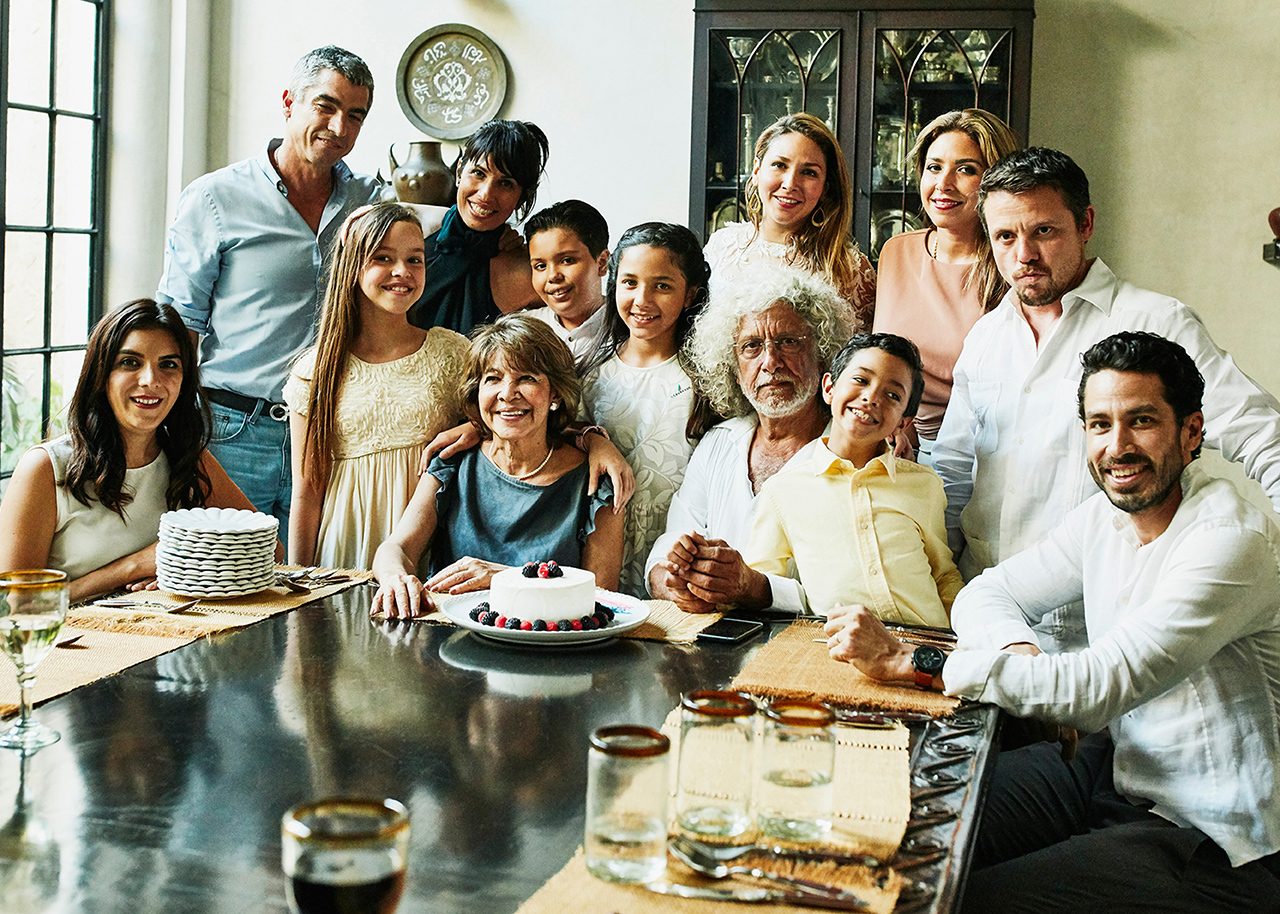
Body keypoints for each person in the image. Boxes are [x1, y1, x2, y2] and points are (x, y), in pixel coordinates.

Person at [826, 333, 1280, 910]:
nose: (1118, 446)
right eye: (1099, 424)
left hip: (1210, 837)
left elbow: (1095, 690)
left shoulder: (1229, 542)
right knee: (878, 823)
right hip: (1109, 770)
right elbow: (987, 593)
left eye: (1141, 421)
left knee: (957, 898)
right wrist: (1021, 653)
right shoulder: (1104, 518)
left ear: (1191, 433)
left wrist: (911, 661)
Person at [933, 146, 1280, 651]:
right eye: (1005, 236)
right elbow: (953, 475)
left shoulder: (1156, 322)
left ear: (1086, 222)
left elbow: (1265, 435)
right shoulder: (986, 338)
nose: (1023, 255)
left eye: (1043, 231)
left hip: (1105, 640)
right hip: (989, 626)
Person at [156, 46, 381, 543]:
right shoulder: (214, 198)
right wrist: (169, 431)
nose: (339, 127)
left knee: (321, 589)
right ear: (288, 103)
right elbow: (177, 327)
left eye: (355, 115)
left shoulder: (370, 199)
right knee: (227, 592)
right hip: (232, 434)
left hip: (330, 432)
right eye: (326, 106)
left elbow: (429, 243)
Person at [0, 300, 258, 602]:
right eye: (130, 363)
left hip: (169, 639)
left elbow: (267, 549)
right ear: (101, 375)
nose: (151, 381)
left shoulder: (189, 458)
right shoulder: (45, 468)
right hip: (71, 645)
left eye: (168, 365)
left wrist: (181, 568)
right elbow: (13, 605)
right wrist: (130, 568)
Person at [372, 314, 624, 618]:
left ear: (555, 393)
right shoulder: (453, 462)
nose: (507, 394)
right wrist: (394, 577)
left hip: (549, 650)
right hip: (448, 641)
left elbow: (602, 598)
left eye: (527, 378)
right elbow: (396, 548)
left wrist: (508, 579)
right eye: (493, 378)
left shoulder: (596, 481)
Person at [645, 264, 856, 613]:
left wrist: (755, 588)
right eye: (752, 347)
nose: (770, 362)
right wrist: (671, 580)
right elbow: (669, 545)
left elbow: (854, 592)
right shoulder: (719, 443)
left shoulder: (852, 452)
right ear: (733, 367)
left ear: (823, 354)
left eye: (788, 342)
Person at [284, 203, 469, 570]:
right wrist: (298, 581)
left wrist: (474, 430)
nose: (402, 271)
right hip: (343, 548)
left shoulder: (453, 353)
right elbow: (306, 491)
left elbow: (498, 435)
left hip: (426, 548)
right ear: (353, 266)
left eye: (415, 259)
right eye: (383, 258)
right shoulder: (315, 369)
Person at [744, 333, 959, 624]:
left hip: (925, 643)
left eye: (893, 395)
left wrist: (963, 643)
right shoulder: (782, 491)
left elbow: (943, 574)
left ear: (903, 422)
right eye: (861, 380)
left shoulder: (924, 485)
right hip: (840, 650)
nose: (872, 398)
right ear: (829, 388)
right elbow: (760, 586)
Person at [872, 109, 1020, 463]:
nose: (944, 184)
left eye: (966, 169)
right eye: (934, 167)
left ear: (994, 181)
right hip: (890, 445)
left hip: (979, 457)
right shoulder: (896, 251)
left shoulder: (1011, 266)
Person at [576, 223, 709, 597]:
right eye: (630, 283)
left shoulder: (706, 380)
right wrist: (592, 439)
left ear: (689, 295)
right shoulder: (590, 376)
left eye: (662, 286)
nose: (642, 300)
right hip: (598, 552)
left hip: (677, 553)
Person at [704, 112, 876, 329]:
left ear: (826, 188)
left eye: (809, 172)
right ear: (757, 171)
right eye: (779, 165)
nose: (790, 183)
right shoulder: (721, 247)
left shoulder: (850, 268)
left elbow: (866, 356)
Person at [407, 119, 548, 334]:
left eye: (505, 183)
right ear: (459, 172)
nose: (485, 194)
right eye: (479, 173)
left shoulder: (525, 270)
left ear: (521, 198)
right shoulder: (412, 235)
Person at [523, 199, 612, 366]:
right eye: (540, 266)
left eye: (567, 260)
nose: (553, 276)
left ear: (601, 263)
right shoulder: (522, 331)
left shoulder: (631, 328)